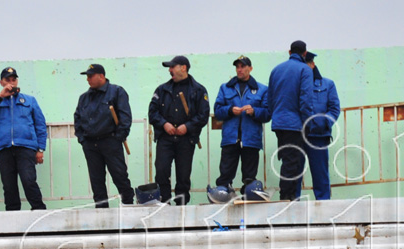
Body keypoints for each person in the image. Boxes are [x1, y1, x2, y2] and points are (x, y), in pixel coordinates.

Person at [0, 67, 47, 211]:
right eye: (7, 80)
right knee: (9, 185)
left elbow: (40, 125)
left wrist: (40, 149)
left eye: (13, 79)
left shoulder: (29, 100)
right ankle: (12, 214)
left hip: (26, 147)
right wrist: (0, 96)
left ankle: (39, 210)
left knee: (29, 180)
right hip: (4, 148)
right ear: (1, 82)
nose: (11, 83)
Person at [149, 55, 210, 205]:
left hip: (186, 140)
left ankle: (182, 205)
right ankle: (164, 203)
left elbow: (203, 115)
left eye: (172, 67)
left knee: (183, 175)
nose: (169, 70)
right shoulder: (161, 90)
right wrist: (164, 124)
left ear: (183, 68)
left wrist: (187, 127)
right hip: (165, 139)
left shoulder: (199, 90)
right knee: (161, 171)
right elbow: (152, 113)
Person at [74, 64, 135, 208]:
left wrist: (118, 137)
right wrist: (82, 140)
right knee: (96, 181)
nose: (88, 79)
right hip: (90, 144)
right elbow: (77, 119)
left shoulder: (117, 92)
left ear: (101, 76)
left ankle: (128, 205)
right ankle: (101, 211)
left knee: (119, 176)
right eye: (87, 76)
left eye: (90, 76)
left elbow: (125, 117)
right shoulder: (84, 98)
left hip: (110, 141)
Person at [213, 55, 270, 194]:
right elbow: (217, 111)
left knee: (250, 177)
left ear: (250, 68)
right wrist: (230, 110)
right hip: (230, 138)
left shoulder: (262, 89)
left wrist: (254, 111)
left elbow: (268, 114)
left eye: (243, 66)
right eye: (237, 67)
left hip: (251, 139)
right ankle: (223, 194)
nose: (239, 69)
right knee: (225, 175)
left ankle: (249, 195)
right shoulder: (225, 88)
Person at [268, 40, 314, 201]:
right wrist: (308, 122)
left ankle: (288, 195)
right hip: (294, 124)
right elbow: (306, 100)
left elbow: (270, 99)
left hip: (278, 123)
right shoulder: (305, 70)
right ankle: (287, 197)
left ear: (289, 52)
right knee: (293, 161)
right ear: (304, 53)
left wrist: (276, 116)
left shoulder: (276, 70)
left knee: (287, 159)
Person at [300, 51, 340, 200]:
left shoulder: (327, 84)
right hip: (298, 134)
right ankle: (293, 204)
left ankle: (324, 204)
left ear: (312, 64)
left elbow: (334, 108)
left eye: (306, 65)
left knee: (320, 174)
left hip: (318, 136)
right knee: (294, 173)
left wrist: (322, 123)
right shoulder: (295, 85)